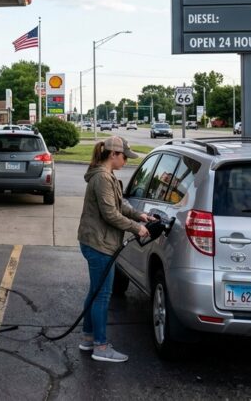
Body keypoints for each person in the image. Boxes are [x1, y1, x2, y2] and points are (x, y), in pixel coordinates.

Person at [77, 136, 157, 362]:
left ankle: (88, 338)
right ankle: (100, 347)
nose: (126, 161)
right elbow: (110, 214)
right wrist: (137, 228)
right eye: (124, 157)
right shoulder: (102, 178)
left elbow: (119, 205)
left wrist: (140, 215)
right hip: (99, 243)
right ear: (113, 154)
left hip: (96, 240)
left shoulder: (106, 176)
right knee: (102, 295)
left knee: (95, 292)